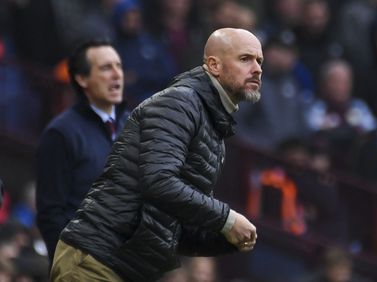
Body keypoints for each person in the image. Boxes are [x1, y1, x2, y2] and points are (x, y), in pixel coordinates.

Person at [50, 27, 261, 281]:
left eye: (259, 61)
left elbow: (173, 226)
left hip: (123, 268)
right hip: (96, 260)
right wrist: (226, 219)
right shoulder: (180, 104)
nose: (257, 68)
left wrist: (227, 238)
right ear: (214, 65)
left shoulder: (212, 128)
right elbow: (159, 181)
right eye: (245, 59)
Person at [35, 38, 129, 263]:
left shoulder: (134, 126)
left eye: (119, 66)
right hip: (82, 265)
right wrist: (71, 266)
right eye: (106, 68)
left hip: (128, 265)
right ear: (82, 78)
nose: (117, 74)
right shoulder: (60, 134)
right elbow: (51, 214)